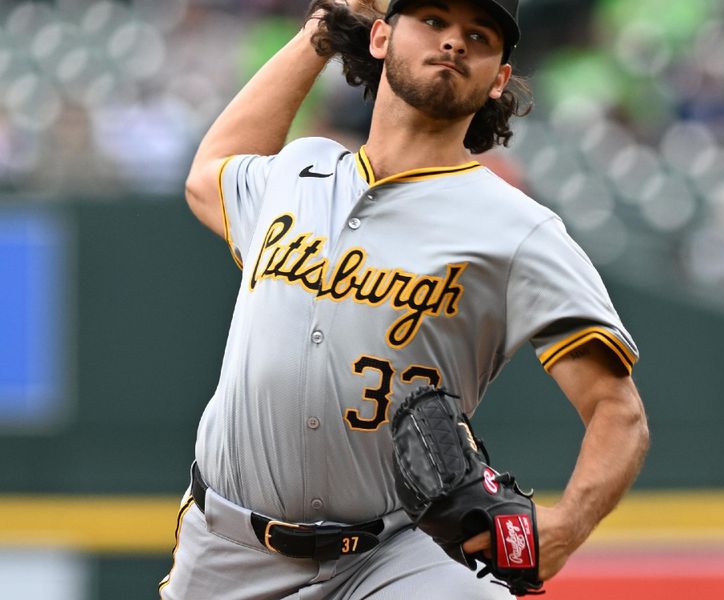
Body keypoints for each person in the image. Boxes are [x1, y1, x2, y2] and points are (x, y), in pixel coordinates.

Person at [160, 0, 650, 597]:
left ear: (498, 80)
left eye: (479, 34)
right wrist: (324, 26)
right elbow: (208, 172)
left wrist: (567, 527)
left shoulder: (518, 228)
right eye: (434, 21)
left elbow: (618, 411)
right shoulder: (298, 171)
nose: (453, 42)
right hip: (228, 550)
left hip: (393, 557)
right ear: (382, 38)